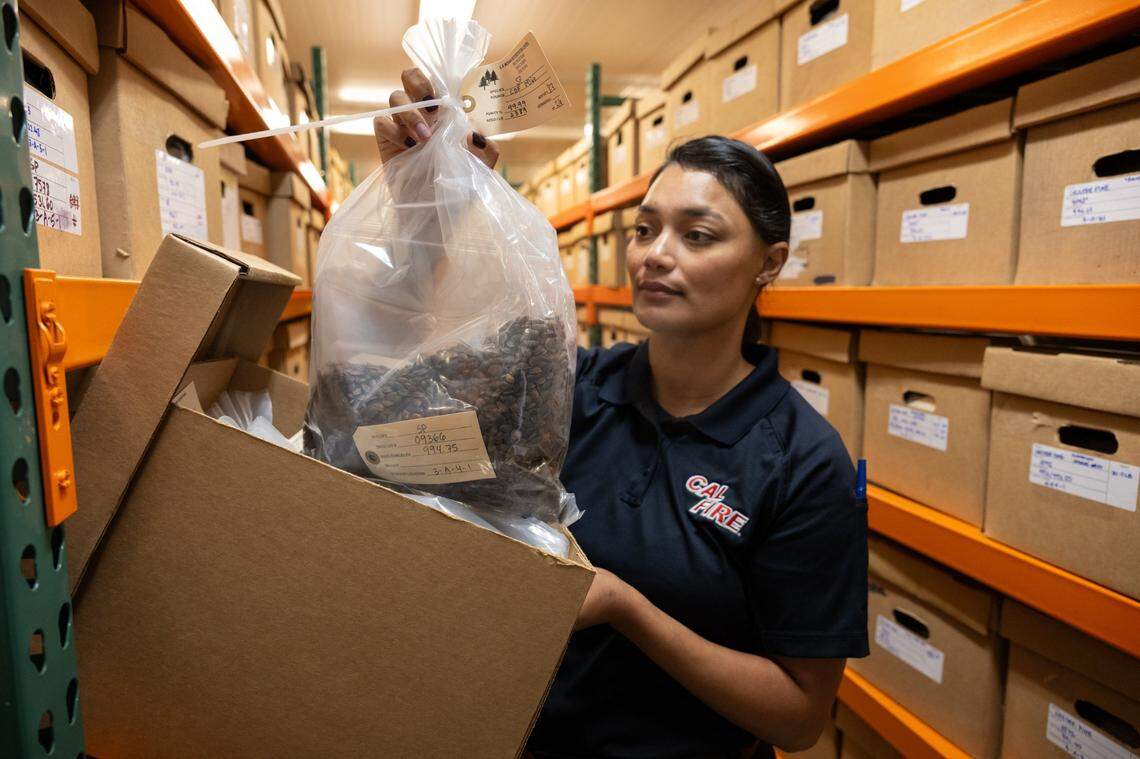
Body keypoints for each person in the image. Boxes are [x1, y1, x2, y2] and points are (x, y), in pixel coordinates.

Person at [375, 69, 869, 759]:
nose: (655, 255)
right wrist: (437, 208)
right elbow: (410, 396)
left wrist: (624, 607)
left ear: (770, 263)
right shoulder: (572, 385)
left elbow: (798, 716)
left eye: (698, 235)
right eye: (645, 229)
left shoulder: (802, 460)